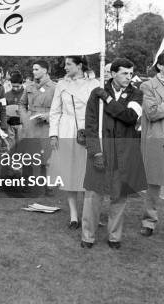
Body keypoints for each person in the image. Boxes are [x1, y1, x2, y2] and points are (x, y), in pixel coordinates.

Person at [80, 58, 147, 249]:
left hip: (125, 152)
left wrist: (108, 100)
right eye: (124, 73)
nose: (129, 77)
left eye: (130, 73)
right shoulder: (96, 93)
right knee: (93, 194)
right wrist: (95, 152)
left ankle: (114, 237)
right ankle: (87, 236)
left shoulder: (137, 94)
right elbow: (91, 125)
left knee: (119, 196)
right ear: (113, 73)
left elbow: (129, 117)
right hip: (102, 149)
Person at [48, 55, 99, 229]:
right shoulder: (61, 84)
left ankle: (89, 213)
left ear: (79, 65)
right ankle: (73, 215)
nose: (65, 67)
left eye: (69, 64)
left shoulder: (94, 84)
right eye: (65, 64)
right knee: (69, 173)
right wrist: (53, 134)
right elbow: (55, 111)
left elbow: (101, 111)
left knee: (87, 173)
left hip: (88, 131)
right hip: (66, 130)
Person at [139, 52, 164, 237]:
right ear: (160, 66)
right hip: (157, 139)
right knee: (153, 183)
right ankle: (149, 222)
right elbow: (151, 113)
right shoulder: (147, 86)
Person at [18, 60, 56, 192]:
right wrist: (24, 118)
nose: (34, 72)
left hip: (46, 127)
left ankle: (46, 186)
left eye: (36, 69)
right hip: (30, 125)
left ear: (45, 70)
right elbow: (22, 104)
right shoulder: (29, 87)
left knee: (45, 157)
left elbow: (60, 108)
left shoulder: (55, 87)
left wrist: (48, 115)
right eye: (33, 69)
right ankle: (26, 185)